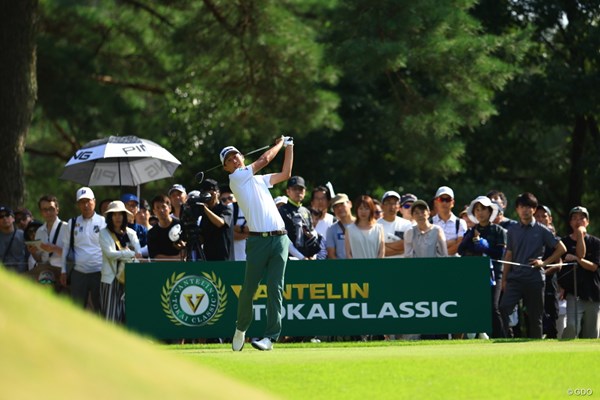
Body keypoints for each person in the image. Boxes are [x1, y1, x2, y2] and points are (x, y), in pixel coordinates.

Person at [221, 135, 293, 352]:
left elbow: (286, 174)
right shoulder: (237, 179)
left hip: (280, 238)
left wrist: (289, 146)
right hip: (257, 242)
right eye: (230, 160)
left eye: (236, 156)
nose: (235, 160)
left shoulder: (259, 180)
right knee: (248, 289)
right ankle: (241, 328)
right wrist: (279, 143)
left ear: (242, 157)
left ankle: (270, 337)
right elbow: (263, 160)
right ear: (226, 168)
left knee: (275, 288)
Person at [498, 192, 566, 339]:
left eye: (528, 207)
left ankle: (535, 346)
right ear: (517, 209)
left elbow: (562, 248)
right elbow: (509, 254)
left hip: (535, 279)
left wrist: (544, 263)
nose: (525, 210)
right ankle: (507, 338)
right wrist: (504, 279)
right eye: (522, 206)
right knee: (503, 308)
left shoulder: (542, 230)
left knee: (536, 317)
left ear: (534, 209)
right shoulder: (512, 230)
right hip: (515, 278)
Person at [458, 196, 507, 338]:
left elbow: (499, 254)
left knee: (493, 308)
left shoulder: (499, 231)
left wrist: (485, 247)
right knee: (474, 307)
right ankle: (477, 336)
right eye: (477, 210)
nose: (480, 213)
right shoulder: (471, 231)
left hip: (494, 275)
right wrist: (469, 240)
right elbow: (461, 251)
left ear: (490, 211)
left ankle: (501, 338)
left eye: (483, 209)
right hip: (474, 275)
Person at [60, 187, 106, 311]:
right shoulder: (72, 222)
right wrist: (63, 270)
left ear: (94, 202)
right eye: (82, 202)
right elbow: (66, 247)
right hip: (78, 273)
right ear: (78, 204)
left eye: (88, 201)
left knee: (100, 309)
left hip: (99, 272)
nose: (85, 205)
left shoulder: (103, 221)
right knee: (77, 309)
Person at [560, 206, 600, 339]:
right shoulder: (564, 243)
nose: (578, 221)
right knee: (571, 327)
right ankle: (563, 355)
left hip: (593, 293)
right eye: (574, 218)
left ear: (587, 222)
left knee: (592, 333)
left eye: (582, 218)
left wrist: (577, 259)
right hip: (573, 292)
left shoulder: (596, 243)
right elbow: (559, 267)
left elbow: (594, 267)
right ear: (570, 222)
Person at [99, 200, 142, 323]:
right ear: (109, 217)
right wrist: (129, 253)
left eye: (120, 214)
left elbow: (138, 255)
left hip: (129, 278)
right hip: (111, 279)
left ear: (124, 216)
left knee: (129, 315)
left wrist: (129, 255)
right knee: (110, 316)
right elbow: (110, 254)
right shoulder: (104, 233)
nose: (117, 217)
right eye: (114, 214)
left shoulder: (132, 233)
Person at [534, 204, 562, 339]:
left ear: (549, 219)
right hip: (532, 285)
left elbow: (559, 265)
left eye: (543, 216)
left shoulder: (553, 238)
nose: (540, 219)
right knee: (533, 320)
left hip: (550, 285)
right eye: (537, 216)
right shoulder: (530, 237)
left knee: (551, 323)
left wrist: (543, 271)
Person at [279, 176, 321, 260]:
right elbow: (283, 239)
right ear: (288, 191)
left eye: (301, 189)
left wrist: (313, 254)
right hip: (288, 258)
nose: (298, 192)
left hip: (307, 258)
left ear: (305, 192)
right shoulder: (282, 211)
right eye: (294, 189)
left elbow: (311, 234)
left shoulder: (306, 211)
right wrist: (301, 257)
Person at [29, 195, 67, 288]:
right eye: (44, 210)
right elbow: (39, 259)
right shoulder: (40, 231)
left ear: (57, 210)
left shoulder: (67, 227)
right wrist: (33, 252)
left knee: (45, 279)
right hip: (44, 267)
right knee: (20, 280)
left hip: (61, 268)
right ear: (41, 212)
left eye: (51, 208)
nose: (48, 212)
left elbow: (73, 255)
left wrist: (55, 249)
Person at [197, 178, 234, 261]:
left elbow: (220, 223)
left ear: (218, 193)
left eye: (211, 192)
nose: (208, 196)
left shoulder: (225, 209)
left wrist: (205, 209)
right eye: (205, 193)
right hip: (208, 258)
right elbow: (202, 237)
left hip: (224, 258)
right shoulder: (204, 213)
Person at [345, 195, 385, 259]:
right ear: (356, 210)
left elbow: (381, 252)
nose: (363, 211)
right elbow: (348, 253)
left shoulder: (379, 228)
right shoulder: (349, 229)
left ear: (371, 210)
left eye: (366, 208)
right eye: (360, 208)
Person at [432, 186, 467, 256]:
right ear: (435, 202)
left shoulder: (461, 223)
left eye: (448, 200)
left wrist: (441, 255)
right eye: (441, 199)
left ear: (452, 203)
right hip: (433, 264)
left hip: (455, 264)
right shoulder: (430, 222)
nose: (444, 203)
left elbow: (460, 244)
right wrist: (452, 242)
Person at [378, 191, 412, 258]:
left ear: (399, 206)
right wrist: (400, 250)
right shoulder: (375, 225)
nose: (392, 206)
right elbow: (376, 249)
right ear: (382, 206)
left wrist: (384, 245)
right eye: (388, 203)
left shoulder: (407, 224)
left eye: (395, 203)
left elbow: (408, 245)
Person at [147, 194, 181, 261]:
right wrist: (177, 258)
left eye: (163, 207)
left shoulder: (181, 225)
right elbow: (155, 257)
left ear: (170, 208)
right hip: (162, 269)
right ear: (154, 212)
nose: (161, 210)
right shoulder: (152, 233)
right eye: (157, 208)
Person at [221, 186, 249, 261]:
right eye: (223, 200)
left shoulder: (250, 207)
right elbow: (229, 234)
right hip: (232, 257)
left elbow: (258, 230)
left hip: (250, 256)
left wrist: (238, 228)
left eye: (230, 198)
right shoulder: (223, 211)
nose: (227, 201)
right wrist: (248, 233)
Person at [0, 205, 29, 273]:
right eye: (1, 216)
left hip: (22, 276)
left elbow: (30, 258)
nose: (4, 218)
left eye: (7, 215)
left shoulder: (24, 235)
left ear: (13, 218)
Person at [326, 194, 355, 259]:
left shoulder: (362, 225)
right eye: (335, 206)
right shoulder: (331, 229)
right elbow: (331, 255)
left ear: (350, 204)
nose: (339, 208)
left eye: (342, 204)